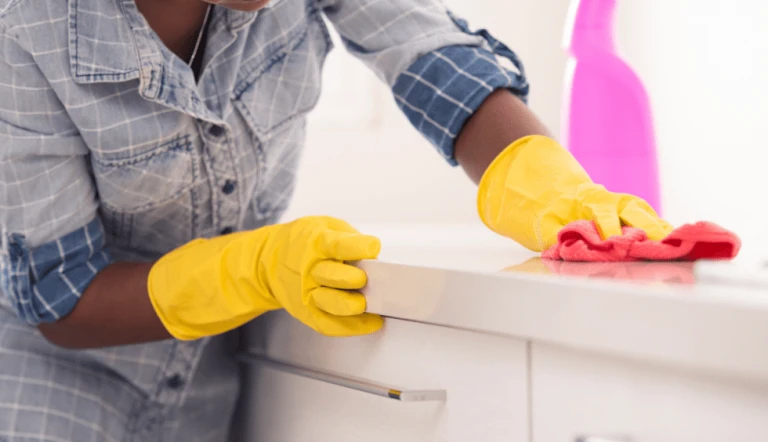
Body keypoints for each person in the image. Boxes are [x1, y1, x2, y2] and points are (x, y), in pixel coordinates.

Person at [0, 0, 671, 440]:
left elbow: (426, 50)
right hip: (48, 397)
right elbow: (63, 299)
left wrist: (537, 176)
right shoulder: (24, 29)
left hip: (208, 390)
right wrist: (251, 271)